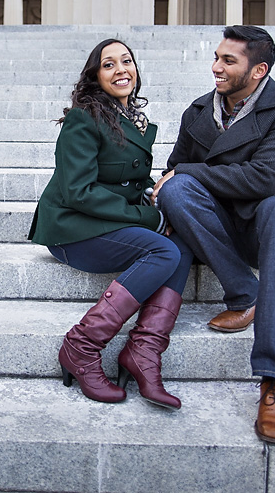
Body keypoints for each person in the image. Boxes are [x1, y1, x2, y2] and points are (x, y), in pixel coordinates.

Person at [152, 25, 275, 444]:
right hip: (214, 231)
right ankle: (246, 292)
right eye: (216, 57)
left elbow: (263, 178)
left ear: (258, 70)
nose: (216, 67)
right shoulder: (198, 111)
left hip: (265, 229)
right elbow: (173, 170)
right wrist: (180, 184)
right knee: (176, 188)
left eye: (228, 61)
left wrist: (189, 171)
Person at [28, 38, 194, 409]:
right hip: (73, 228)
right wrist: (146, 215)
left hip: (106, 223)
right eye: (108, 64)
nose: (121, 70)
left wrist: (157, 189)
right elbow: (78, 191)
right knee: (162, 249)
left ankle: (144, 352)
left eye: (127, 61)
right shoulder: (83, 118)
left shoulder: (134, 120)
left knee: (180, 242)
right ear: (95, 75)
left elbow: (127, 180)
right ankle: (82, 346)